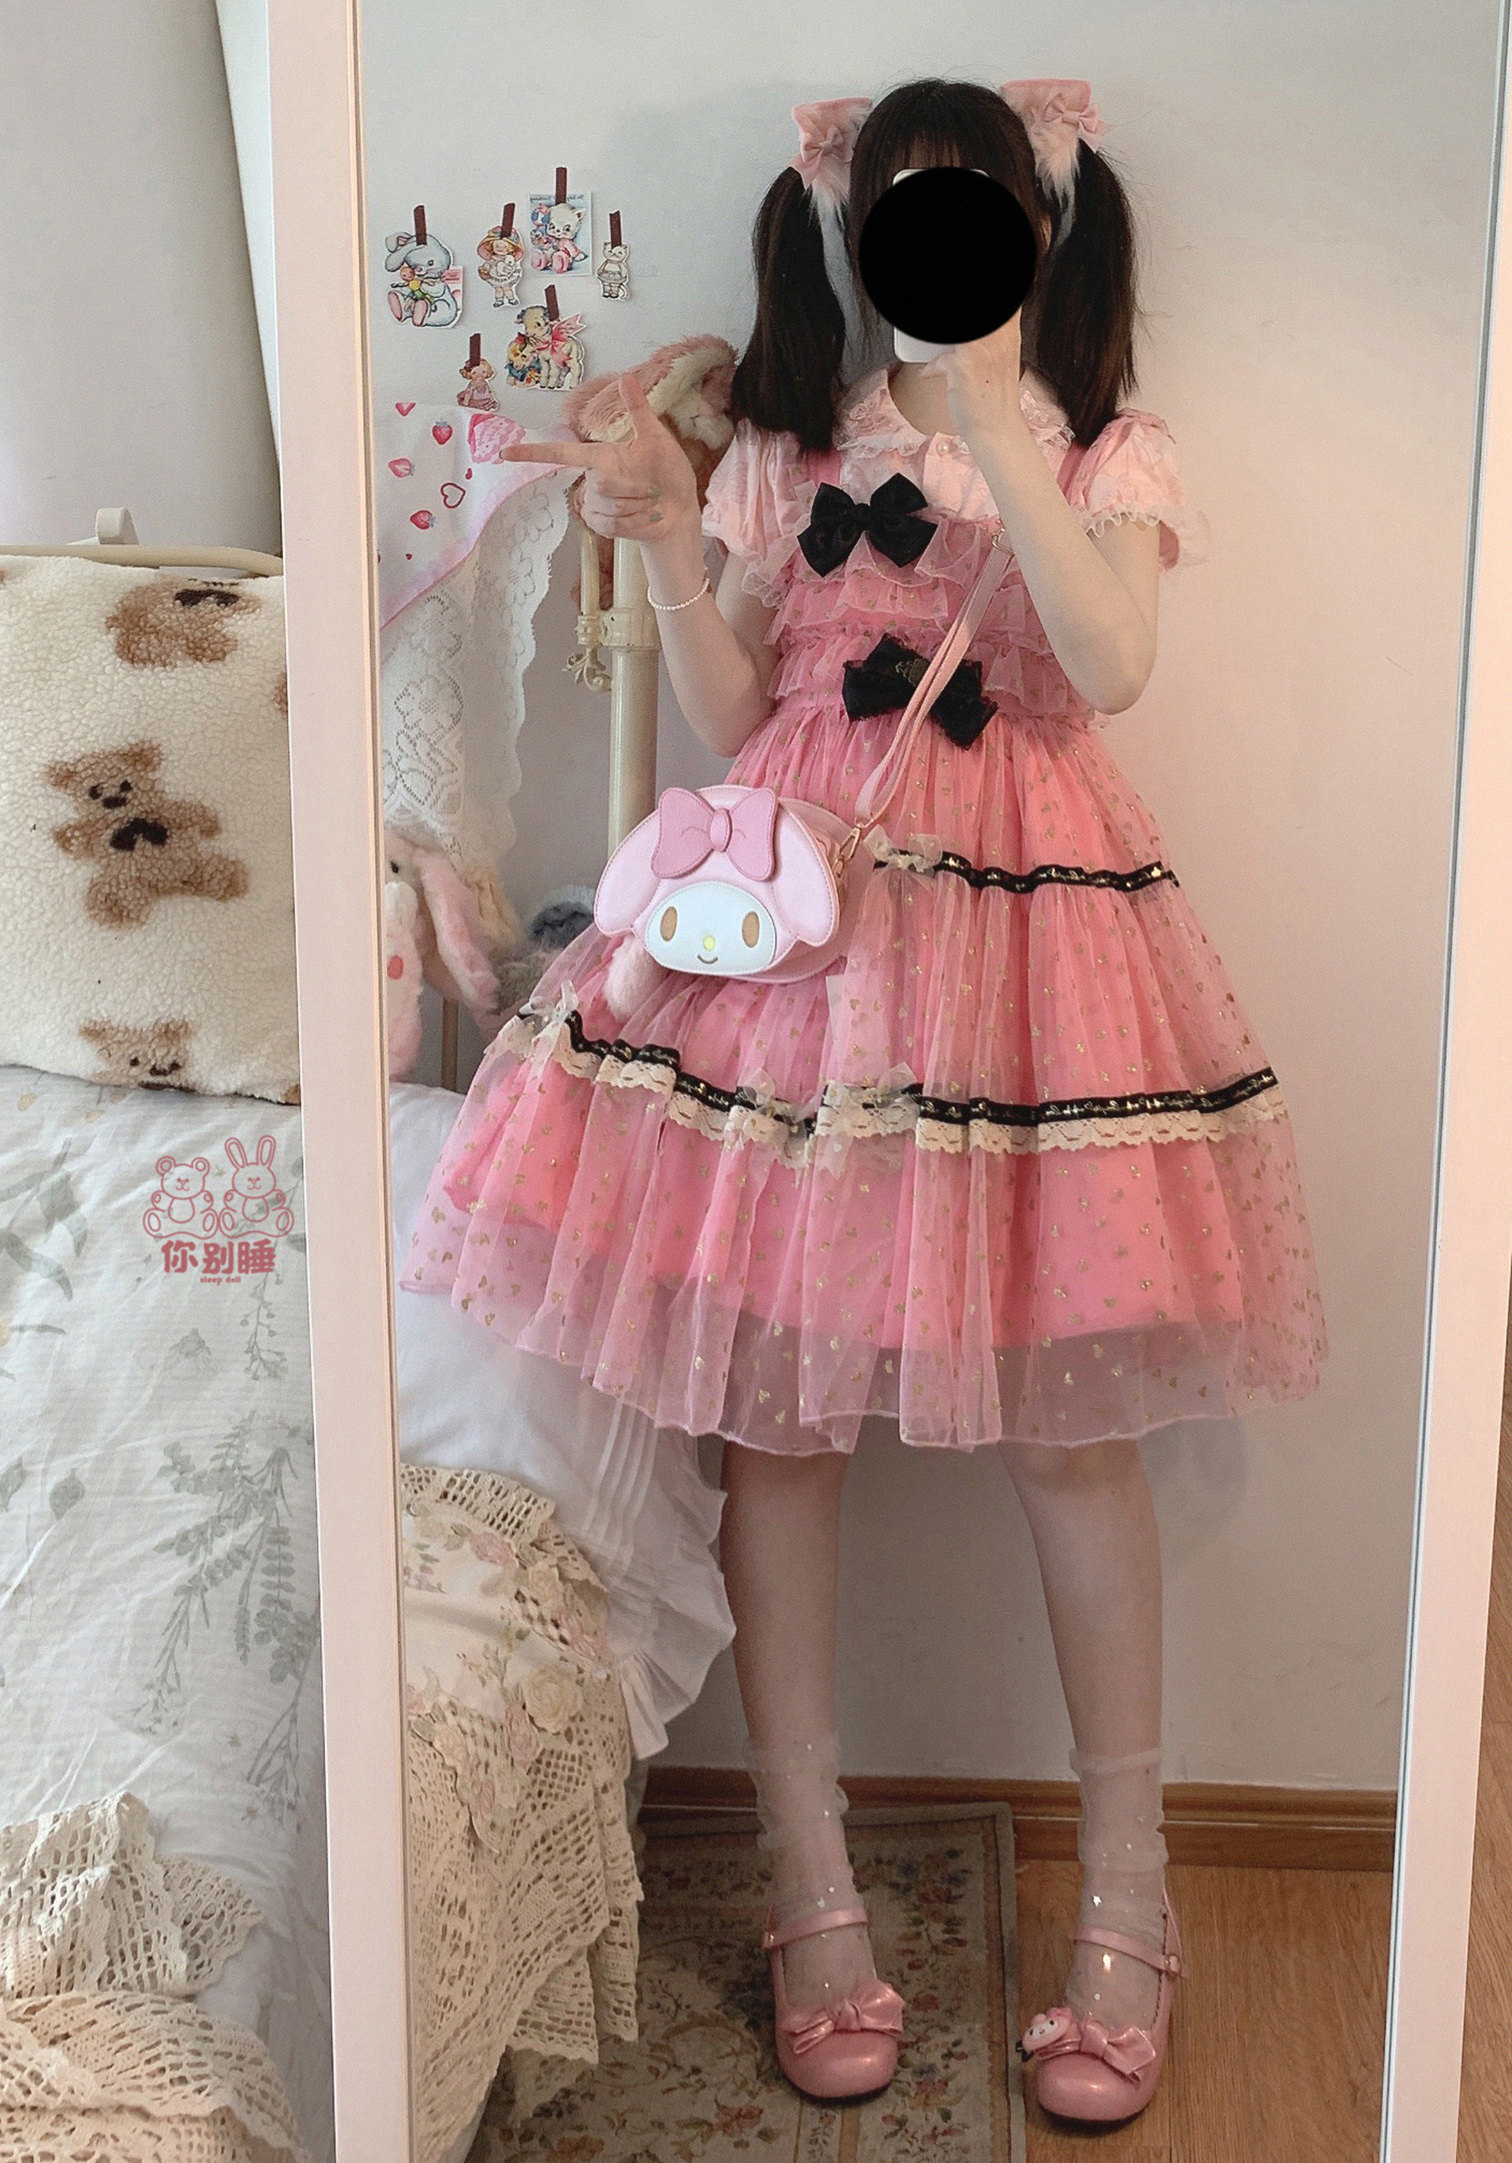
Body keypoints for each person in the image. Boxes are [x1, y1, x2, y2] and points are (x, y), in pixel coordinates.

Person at [399, 75, 1327, 2125]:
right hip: (801, 956)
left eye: (972, 210)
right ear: (847, 231)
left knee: (1073, 1439)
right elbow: (740, 716)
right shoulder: (789, 452)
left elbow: (1113, 661)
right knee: (780, 1430)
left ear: (1039, 227)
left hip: (1036, 965)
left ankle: (1134, 1892)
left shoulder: (1103, 445)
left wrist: (990, 404)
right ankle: (811, 1885)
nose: (937, 243)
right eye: (904, 210)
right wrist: (667, 526)